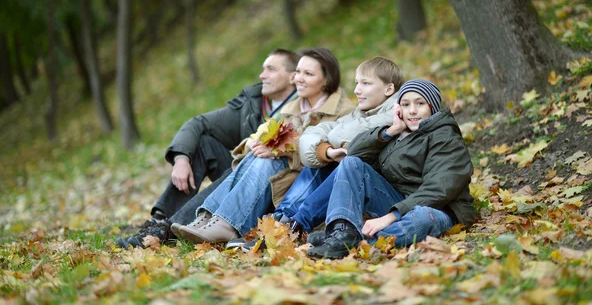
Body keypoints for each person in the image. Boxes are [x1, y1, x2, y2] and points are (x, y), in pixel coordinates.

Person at [116, 49, 300, 248]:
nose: (262, 75)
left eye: (271, 69)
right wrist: (181, 158)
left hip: (276, 189)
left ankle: (166, 231)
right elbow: (198, 123)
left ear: (292, 76)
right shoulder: (254, 103)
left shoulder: (303, 106)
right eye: (263, 69)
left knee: (239, 167)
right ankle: (160, 221)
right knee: (204, 144)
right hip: (240, 183)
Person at [172, 47, 355, 244]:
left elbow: (330, 159)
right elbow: (264, 134)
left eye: (308, 74)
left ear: (326, 80)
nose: (299, 79)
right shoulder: (292, 107)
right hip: (272, 180)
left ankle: (227, 224)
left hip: (302, 187)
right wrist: (253, 143)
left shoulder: (344, 112)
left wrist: (280, 150)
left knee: (267, 159)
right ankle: (208, 217)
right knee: (259, 154)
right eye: (299, 72)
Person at [232, 56, 404, 251]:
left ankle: (292, 228)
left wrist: (330, 141)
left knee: (345, 164)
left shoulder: (398, 112)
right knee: (320, 162)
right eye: (357, 83)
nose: (357, 90)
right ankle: (282, 223)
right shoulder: (360, 114)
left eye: (365, 84)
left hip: (391, 201)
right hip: (362, 191)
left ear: (389, 89)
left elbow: (344, 133)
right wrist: (327, 151)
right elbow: (310, 136)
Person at [306, 79, 476, 259]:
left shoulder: (445, 138)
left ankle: (358, 242)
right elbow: (355, 153)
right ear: (398, 109)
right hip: (400, 202)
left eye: (420, 103)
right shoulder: (399, 133)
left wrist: (389, 217)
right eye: (405, 104)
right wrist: (390, 131)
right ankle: (343, 230)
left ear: (432, 107)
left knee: (423, 218)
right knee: (350, 163)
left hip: (438, 208)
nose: (412, 110)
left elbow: (438, 190)